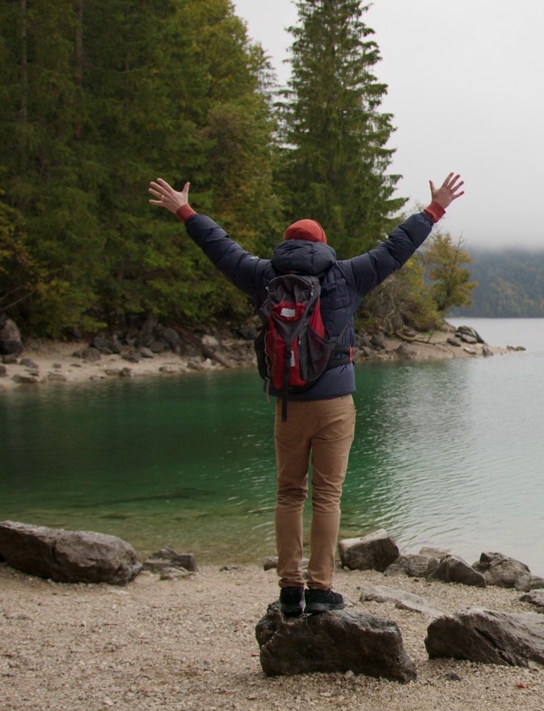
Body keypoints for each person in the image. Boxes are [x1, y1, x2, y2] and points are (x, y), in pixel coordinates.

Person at [148, 174, 465, 616]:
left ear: (286, 244)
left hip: (287, 404)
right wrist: (434, 209)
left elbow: (221, 249)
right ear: (324, 244)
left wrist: (186, 211)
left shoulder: (264, 276)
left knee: (288, 494)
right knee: (328, 497)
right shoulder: (348, 275)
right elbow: (396, 248)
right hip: (335, 403)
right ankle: (320, 589)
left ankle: (289, 589)